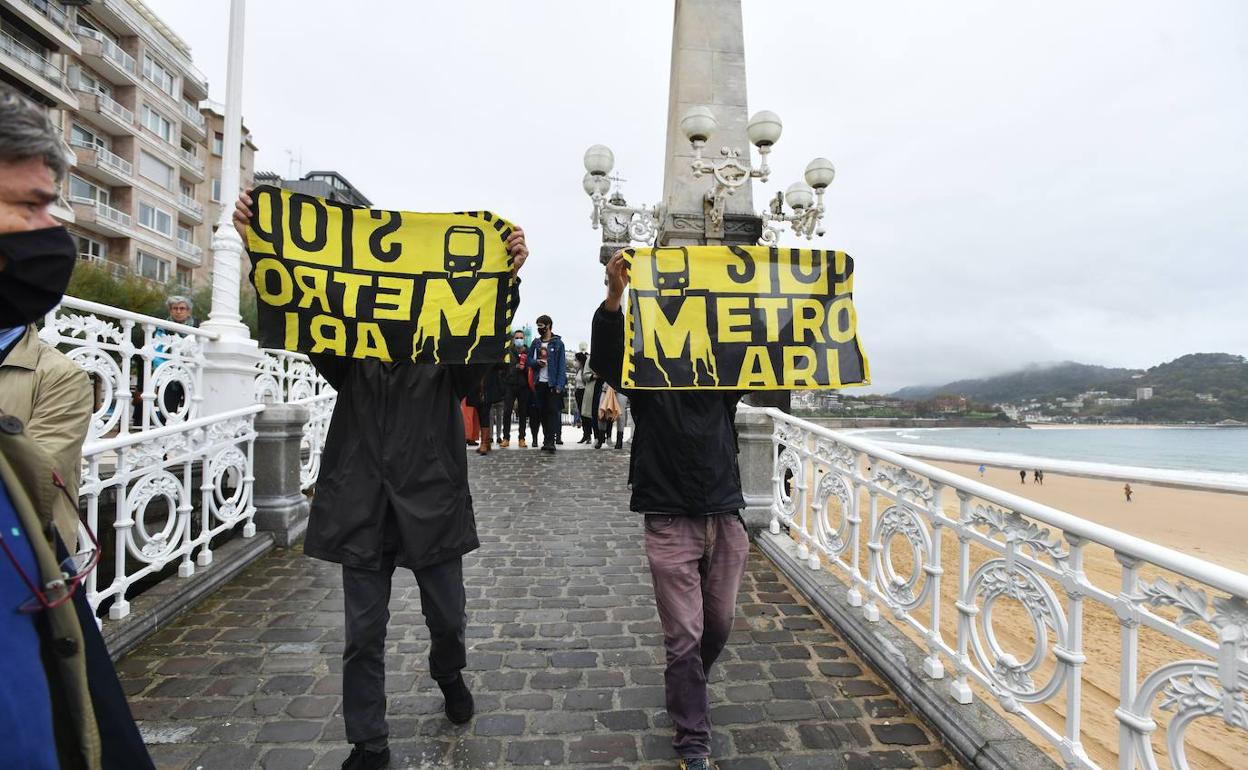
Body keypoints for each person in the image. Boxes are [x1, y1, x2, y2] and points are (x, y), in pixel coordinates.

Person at [234, 193, 529, 770]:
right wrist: (258, 245)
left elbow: (483, 360)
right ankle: (368, 741)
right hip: (362, 498)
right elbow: (299, 303)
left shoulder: (449, 354)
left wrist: (508, 279)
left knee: (448, 617)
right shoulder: (347, 350)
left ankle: (449, 671)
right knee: (362, 633)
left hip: (432, 495)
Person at [0, 84, 154, 769]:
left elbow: (47, 490)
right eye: (30, 205)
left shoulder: (58, 375)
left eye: (53, 203)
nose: (50, 228)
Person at [591, 251, 750, 770]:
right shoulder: (643, 364)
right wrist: (615, 297)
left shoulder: (726, 362)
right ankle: (692, 738)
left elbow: (770, 347)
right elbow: (607, 359)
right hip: (666, 510)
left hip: (724, 511)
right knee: (685, 637)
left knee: (717, 627)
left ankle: (686, 685)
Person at [153, 294, 196, 421]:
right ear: (170, 310)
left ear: (188, 311)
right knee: (166, 410)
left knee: (192, 411)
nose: (178, 311)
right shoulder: (163, 328)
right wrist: (167, 369)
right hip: (170, 376)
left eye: (182, 308)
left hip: (191, 376)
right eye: (174, 308)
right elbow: (157, 353)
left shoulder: (197, 327)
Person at [528, 314, 566, 453]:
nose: (539, 329)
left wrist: (559, 385)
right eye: (537, 326)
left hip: (552, 384)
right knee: (542, 412)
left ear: (548, 325)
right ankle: (546, 439)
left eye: (541, 326)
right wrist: (536, 363)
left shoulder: (558, 343)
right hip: (539, 383)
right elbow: (528, 361)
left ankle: (551, 441)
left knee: (552, 412)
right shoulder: (536, 343)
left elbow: (562, 366)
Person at [500, 330, 529, 448]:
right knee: (507, 411)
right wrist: (515, 368)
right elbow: (503, 369)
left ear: (524, 338)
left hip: (523, 385)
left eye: (521, 337)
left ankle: (522, 438)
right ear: (513, 339)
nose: (519, 340)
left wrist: (525, 368)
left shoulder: (528, 351)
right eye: (517, 337)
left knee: (523, 412)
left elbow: (532, 367)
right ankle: (506, 437)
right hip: (510, 385)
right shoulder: (508, 352)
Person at [573, 352, 592, 443]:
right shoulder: (578, 370)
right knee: (581, 414)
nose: (575, 362)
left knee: (586, 414)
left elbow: (585, 380)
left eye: (576, 360)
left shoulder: (585, 370)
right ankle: (585, 434)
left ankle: (588, 435)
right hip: (578, 392)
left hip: (584, 392)